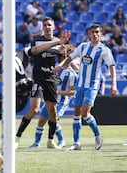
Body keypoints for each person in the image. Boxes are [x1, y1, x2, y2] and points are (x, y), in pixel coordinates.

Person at [54, 24, 117, 151]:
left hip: (92, 86)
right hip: (80, 85)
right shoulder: (83, 47)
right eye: (92, 32)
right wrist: (60, 66)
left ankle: (98, 136)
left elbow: (111, 66)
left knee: (85, 113)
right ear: (89, 34)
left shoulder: (104, 50)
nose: (94, 35)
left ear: (101, 34)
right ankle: (76, 143)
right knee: (76, 114)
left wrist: (114, 83)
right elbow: (69, 58)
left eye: (97, 32)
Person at [15, 17, 70, 149]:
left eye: (49, 25)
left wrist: (61, 61)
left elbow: (65, 59)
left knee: (53, 111)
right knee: (34, 109)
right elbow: (34, 52)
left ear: (54, 27)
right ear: (42, 27)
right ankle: (16, 139)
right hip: (38, 78)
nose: (47, 27)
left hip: (51, 79)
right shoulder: (37, 41)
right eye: (45, 25)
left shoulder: (59, 41)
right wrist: (55, 43)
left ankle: (50, 141)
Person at [29, 44, 77, 148]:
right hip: (50, 98)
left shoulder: (71, 74)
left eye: (64, 52)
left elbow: (73, 92)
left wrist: (59, 92)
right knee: (42, 120)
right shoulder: (55, 68)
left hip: (61, 101)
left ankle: (61, 140)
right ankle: (36, 143)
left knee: (53, 119)